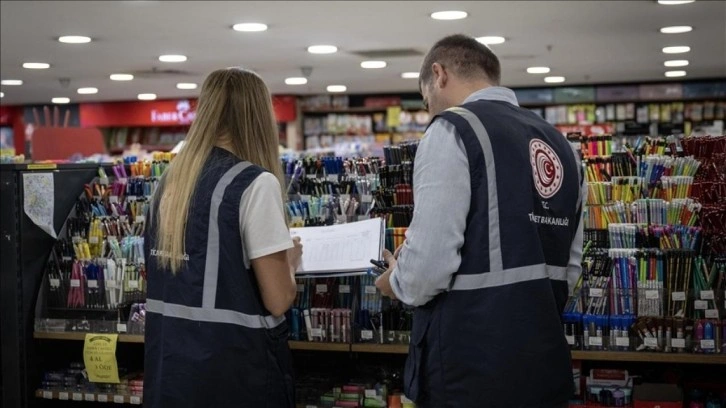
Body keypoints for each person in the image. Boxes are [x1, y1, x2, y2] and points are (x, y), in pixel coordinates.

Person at [375, 34, 586, 408]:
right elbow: (570, 268)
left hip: (469, 364)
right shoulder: (561, 145)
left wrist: (396, 281)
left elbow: (429, 268)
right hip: (543, 363)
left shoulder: (452, 130)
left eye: (425, 100)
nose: (429, 110)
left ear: (439, 74)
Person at [143, 68, 302, 408]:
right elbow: (278, 299)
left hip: (170, 372)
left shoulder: (168, 183)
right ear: (259, 117)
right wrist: (290, 262)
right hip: (236, 374)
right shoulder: (255, 184)